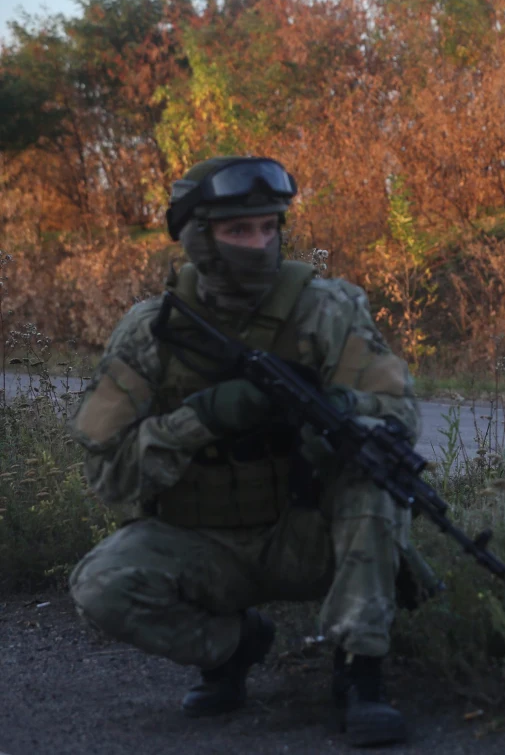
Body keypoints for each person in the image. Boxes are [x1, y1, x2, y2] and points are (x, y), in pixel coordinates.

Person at [67, 156, 438, 748]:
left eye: (269, 227)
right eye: (239, 231)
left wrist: (339, 413)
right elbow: (108, 473)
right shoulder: (151, 333)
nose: (259, 244)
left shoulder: (329, 309)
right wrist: (201, 419)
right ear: (199, 239)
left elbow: (400, 415)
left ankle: (360, 674)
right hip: (205, 544)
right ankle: (234, 650)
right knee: (99, 585)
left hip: (305, 532)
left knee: (378, 476)